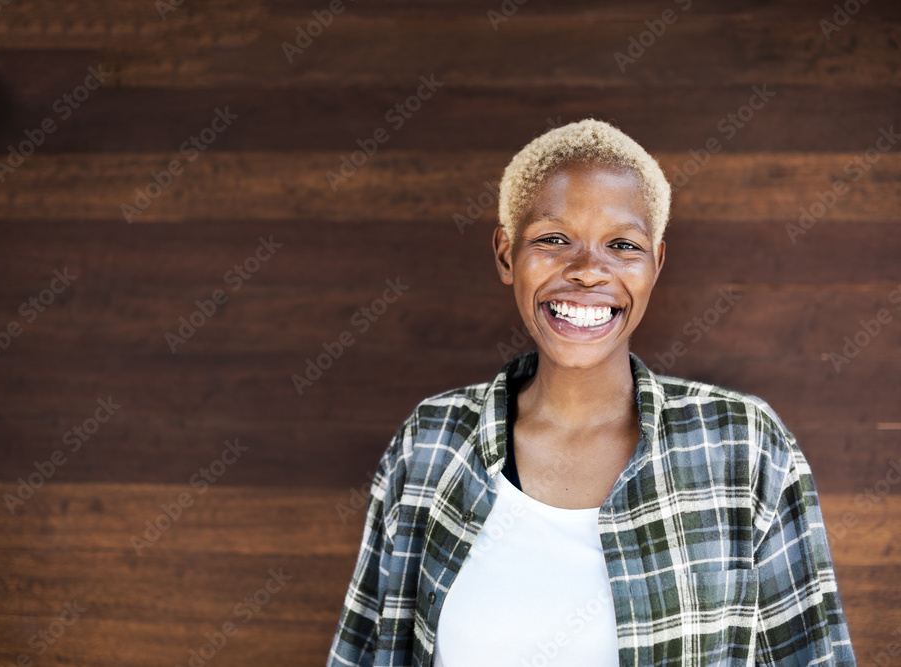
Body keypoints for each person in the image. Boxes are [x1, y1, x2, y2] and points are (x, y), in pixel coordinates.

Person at [326, 118, 856, 666]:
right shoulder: (430, 446)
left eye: (622, 245)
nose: (586, 272)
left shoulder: (744, 447)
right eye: (555, 239)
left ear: (656, 264)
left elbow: (814, 655)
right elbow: (367, 652)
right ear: (507, 255)